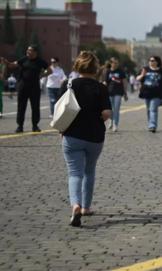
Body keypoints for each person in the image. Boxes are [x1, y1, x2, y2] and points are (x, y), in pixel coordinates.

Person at [59, 51, 111, 227]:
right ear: (95, 68)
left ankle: (75, 205)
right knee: (89, 171)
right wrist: (96, 120)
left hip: (72, 134)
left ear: (77, 66)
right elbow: (107, 113)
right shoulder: (101, 88)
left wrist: (62, 128)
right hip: (95, 136)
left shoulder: (69, 84)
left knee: (74, 172)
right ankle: (86, 207)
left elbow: (60, 110)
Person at [3, 45, 51, 133]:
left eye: (30, 50)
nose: (27, 52)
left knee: (35, 106)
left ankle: (35, 126)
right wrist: (7, 63)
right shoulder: (24, 59)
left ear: (35, 52)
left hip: (34, 87)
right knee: (21, 106)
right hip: (23, 85)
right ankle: (20, 126)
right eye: (27, 50)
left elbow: (49, 70)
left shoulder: (40, 61)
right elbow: (13, 65)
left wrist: (41, 76)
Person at [136, 56, 162, 133]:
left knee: (153, 109)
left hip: (157, 93)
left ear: (157, 62)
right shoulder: (145, 69)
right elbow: (137, 79)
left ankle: (153, 126)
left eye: (152, 60)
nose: (150, 61)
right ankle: (151, 123)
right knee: (148, 109)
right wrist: (142, 75)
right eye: (150, 60)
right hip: (146, 93)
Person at [105, 58, 129, 132]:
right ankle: (111, 120)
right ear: (111, 63)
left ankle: (115, 124)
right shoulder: (108, 71)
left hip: (118, 92)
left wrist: (125, 93)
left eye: (117, 63)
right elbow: (105, 82)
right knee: (110, 109)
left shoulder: (121, 72)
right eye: (115, 63)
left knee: (116, 108)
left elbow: (124, 83)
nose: (116, 64)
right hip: (109, 92)